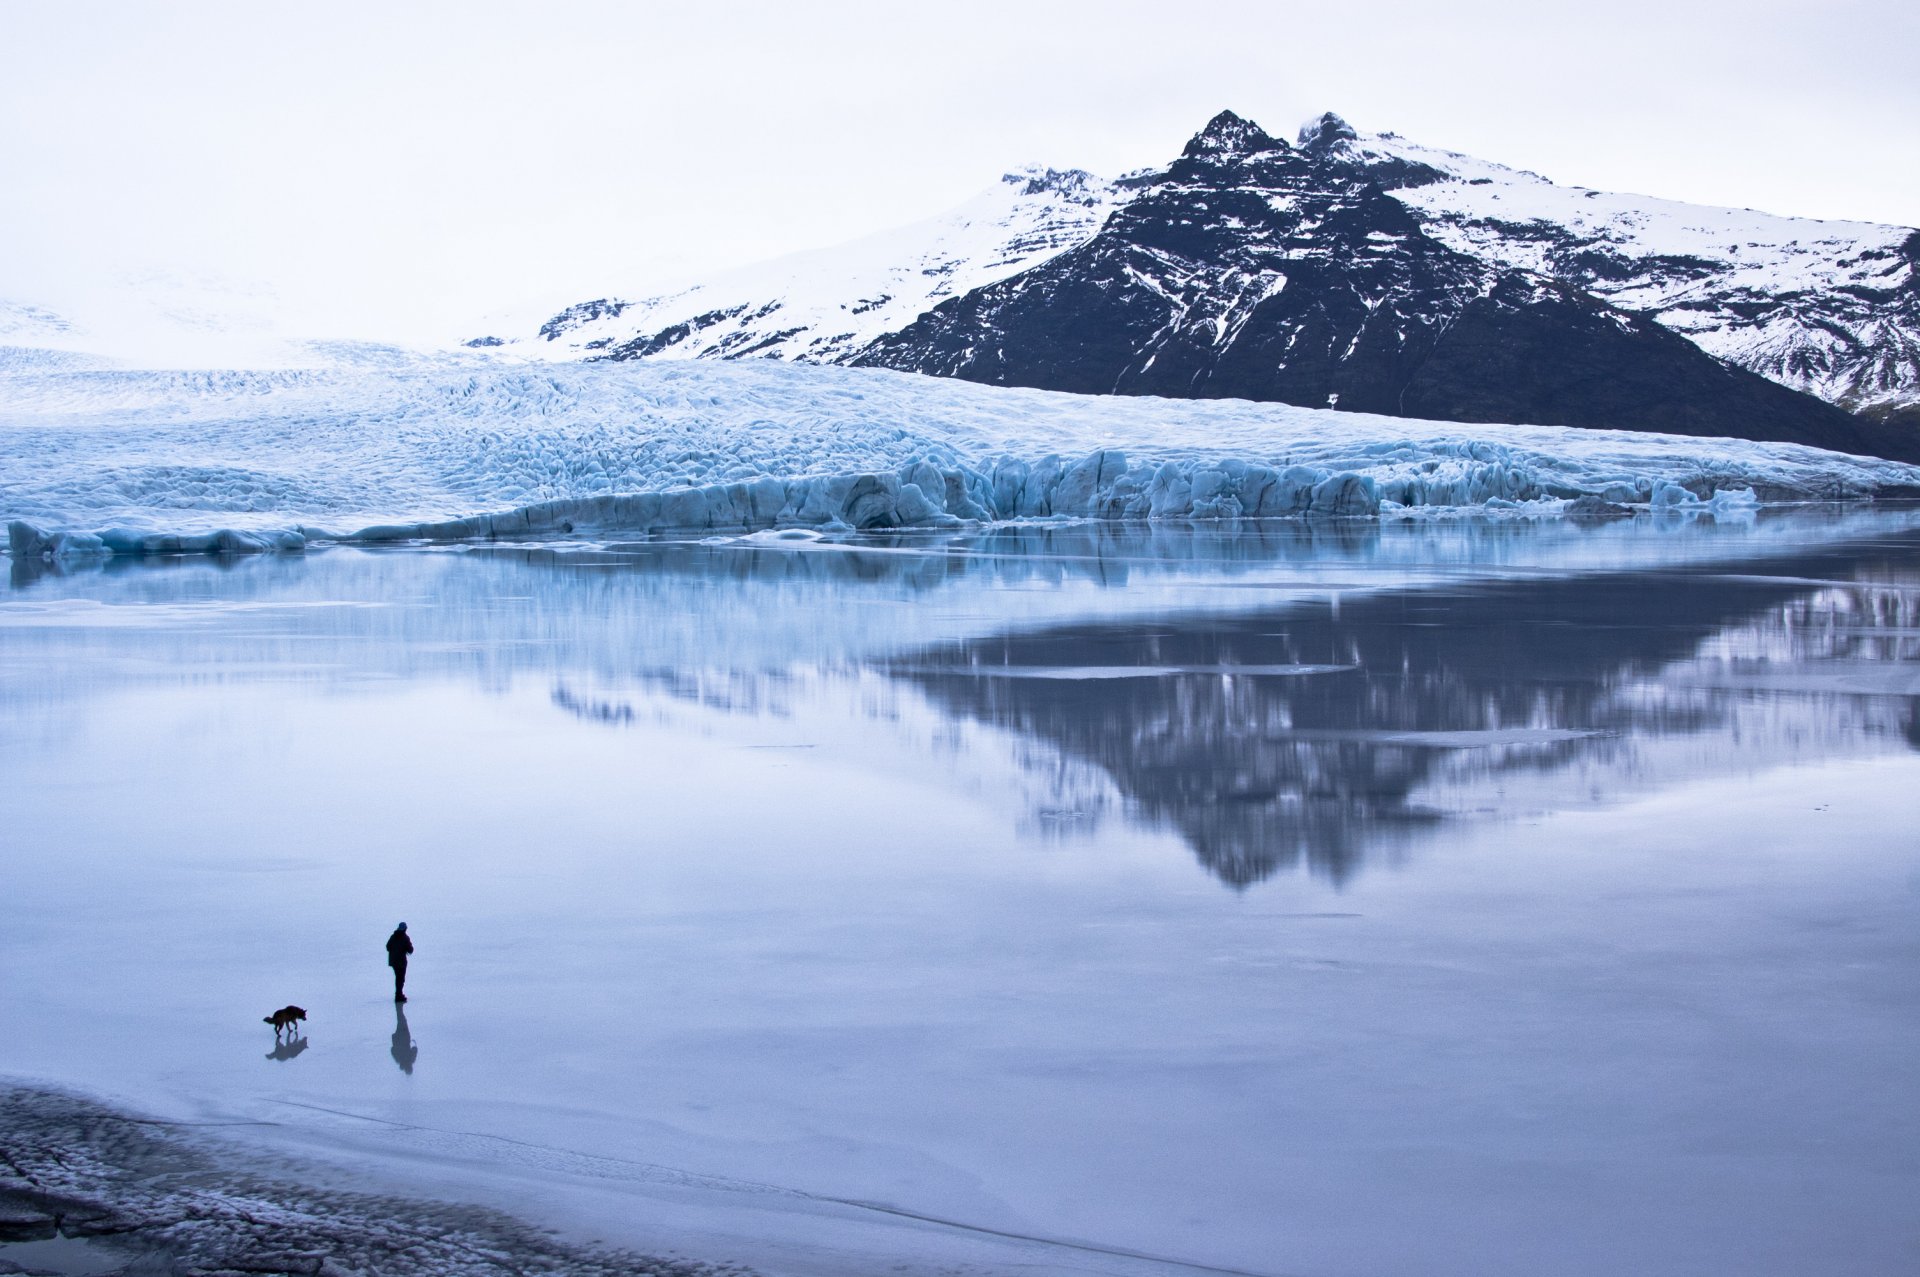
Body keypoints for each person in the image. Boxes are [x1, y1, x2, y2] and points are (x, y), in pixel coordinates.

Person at [386, 922, 414, 1002]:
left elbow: (388, 947)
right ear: (405, 929)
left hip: (393, 961)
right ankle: (398, 995)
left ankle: (398, 994)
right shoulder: (405, 938)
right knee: (400, 978)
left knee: (398, 977)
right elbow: (410, 950)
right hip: (401, 962)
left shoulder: (393, 936)